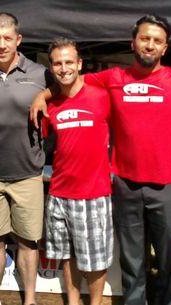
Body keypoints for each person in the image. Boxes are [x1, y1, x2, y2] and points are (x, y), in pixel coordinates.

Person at [31, 14, 171, 305]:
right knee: (132, 259)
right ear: (133, 42)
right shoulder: (113, 78)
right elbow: (70, 83)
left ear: (165, 48)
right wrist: (41, 95)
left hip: (168, 183)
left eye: (157, 40)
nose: (150, 45)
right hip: (126, 183)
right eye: (145, 38)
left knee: (168, 259)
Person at [0, 12, 52, 305]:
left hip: (28, 173)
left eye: (7, 38)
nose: (1, 44)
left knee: (28, 244)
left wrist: (46, 94)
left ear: (18, 39)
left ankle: (29, 300)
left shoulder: (41, 74)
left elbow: (69, 88)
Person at [42, 38, 113, 305]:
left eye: (69, 62)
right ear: (52, 67)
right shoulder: (51, 106)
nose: (64, 68)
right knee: (68, 256)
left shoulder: (102, 97)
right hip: (59, 192)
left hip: (93, 193)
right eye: (58, 63)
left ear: (80, 63)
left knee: (95, 260)